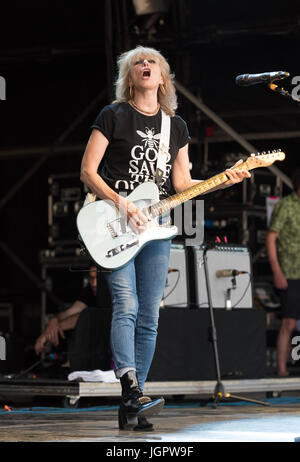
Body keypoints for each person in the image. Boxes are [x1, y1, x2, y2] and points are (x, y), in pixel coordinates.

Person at [80, 45, 250, 430]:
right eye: (138, 62)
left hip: (154, 229)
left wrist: (225, 177)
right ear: (129, 76)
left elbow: (182, 184)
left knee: (150, 314)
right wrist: (122, 204)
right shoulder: (113, 115)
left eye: (152, 61)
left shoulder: (177, 127)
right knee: (125, 302)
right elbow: (89, 172)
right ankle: (129, 386)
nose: (145, 65)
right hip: (114, 221)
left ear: (162, 77)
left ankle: (135, 400)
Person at [266, 169, 300, 377]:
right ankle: (281, 370)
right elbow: (270, 238)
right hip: (290, 271)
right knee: (289, 321)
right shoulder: (286, 205)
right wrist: (276, 270)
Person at [34, 265, 97, 355]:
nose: (94, 283)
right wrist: (54, 320)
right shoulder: (89, 290)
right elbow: (70, 312)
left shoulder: (114, 291)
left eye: (97, 278)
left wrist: (54, 329)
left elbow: (87, 317)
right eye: (91, 278)